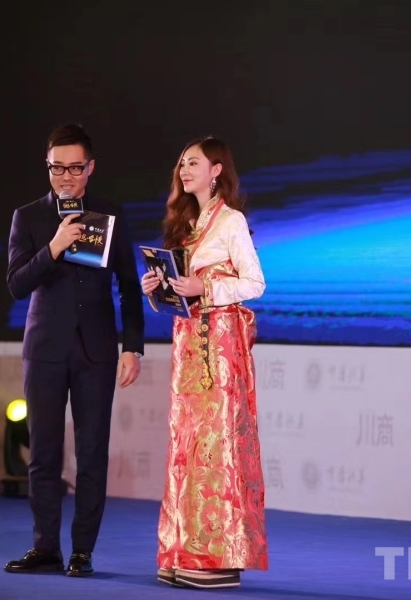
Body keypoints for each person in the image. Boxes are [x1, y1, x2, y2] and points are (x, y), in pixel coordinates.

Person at [4, 124, 145, 577]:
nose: (66, 177)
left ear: (91, 168)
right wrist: (54, 247)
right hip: (45, 348)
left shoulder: (110, 215)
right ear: (47, 167)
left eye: (75, 168)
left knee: (92, 454)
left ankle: (82, 551)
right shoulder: (28, 217)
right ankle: (45, 547)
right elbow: (16, 284)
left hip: (96, 351)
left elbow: (129, 285)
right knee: (43, 453)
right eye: (57, 168)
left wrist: (133, 347)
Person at [140, 136, 268, 589]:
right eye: (181, 163)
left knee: (217, 445)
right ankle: (183, 549)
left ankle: (217, 558)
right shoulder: (186, 226)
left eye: (193, 162)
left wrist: (206, 287)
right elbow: (181, 298)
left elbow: (255, 283)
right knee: (187, 446)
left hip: (220, 348)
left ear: (216, 171)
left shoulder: (231, 221)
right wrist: (159, 289)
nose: (184, 169)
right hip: (190, 346)